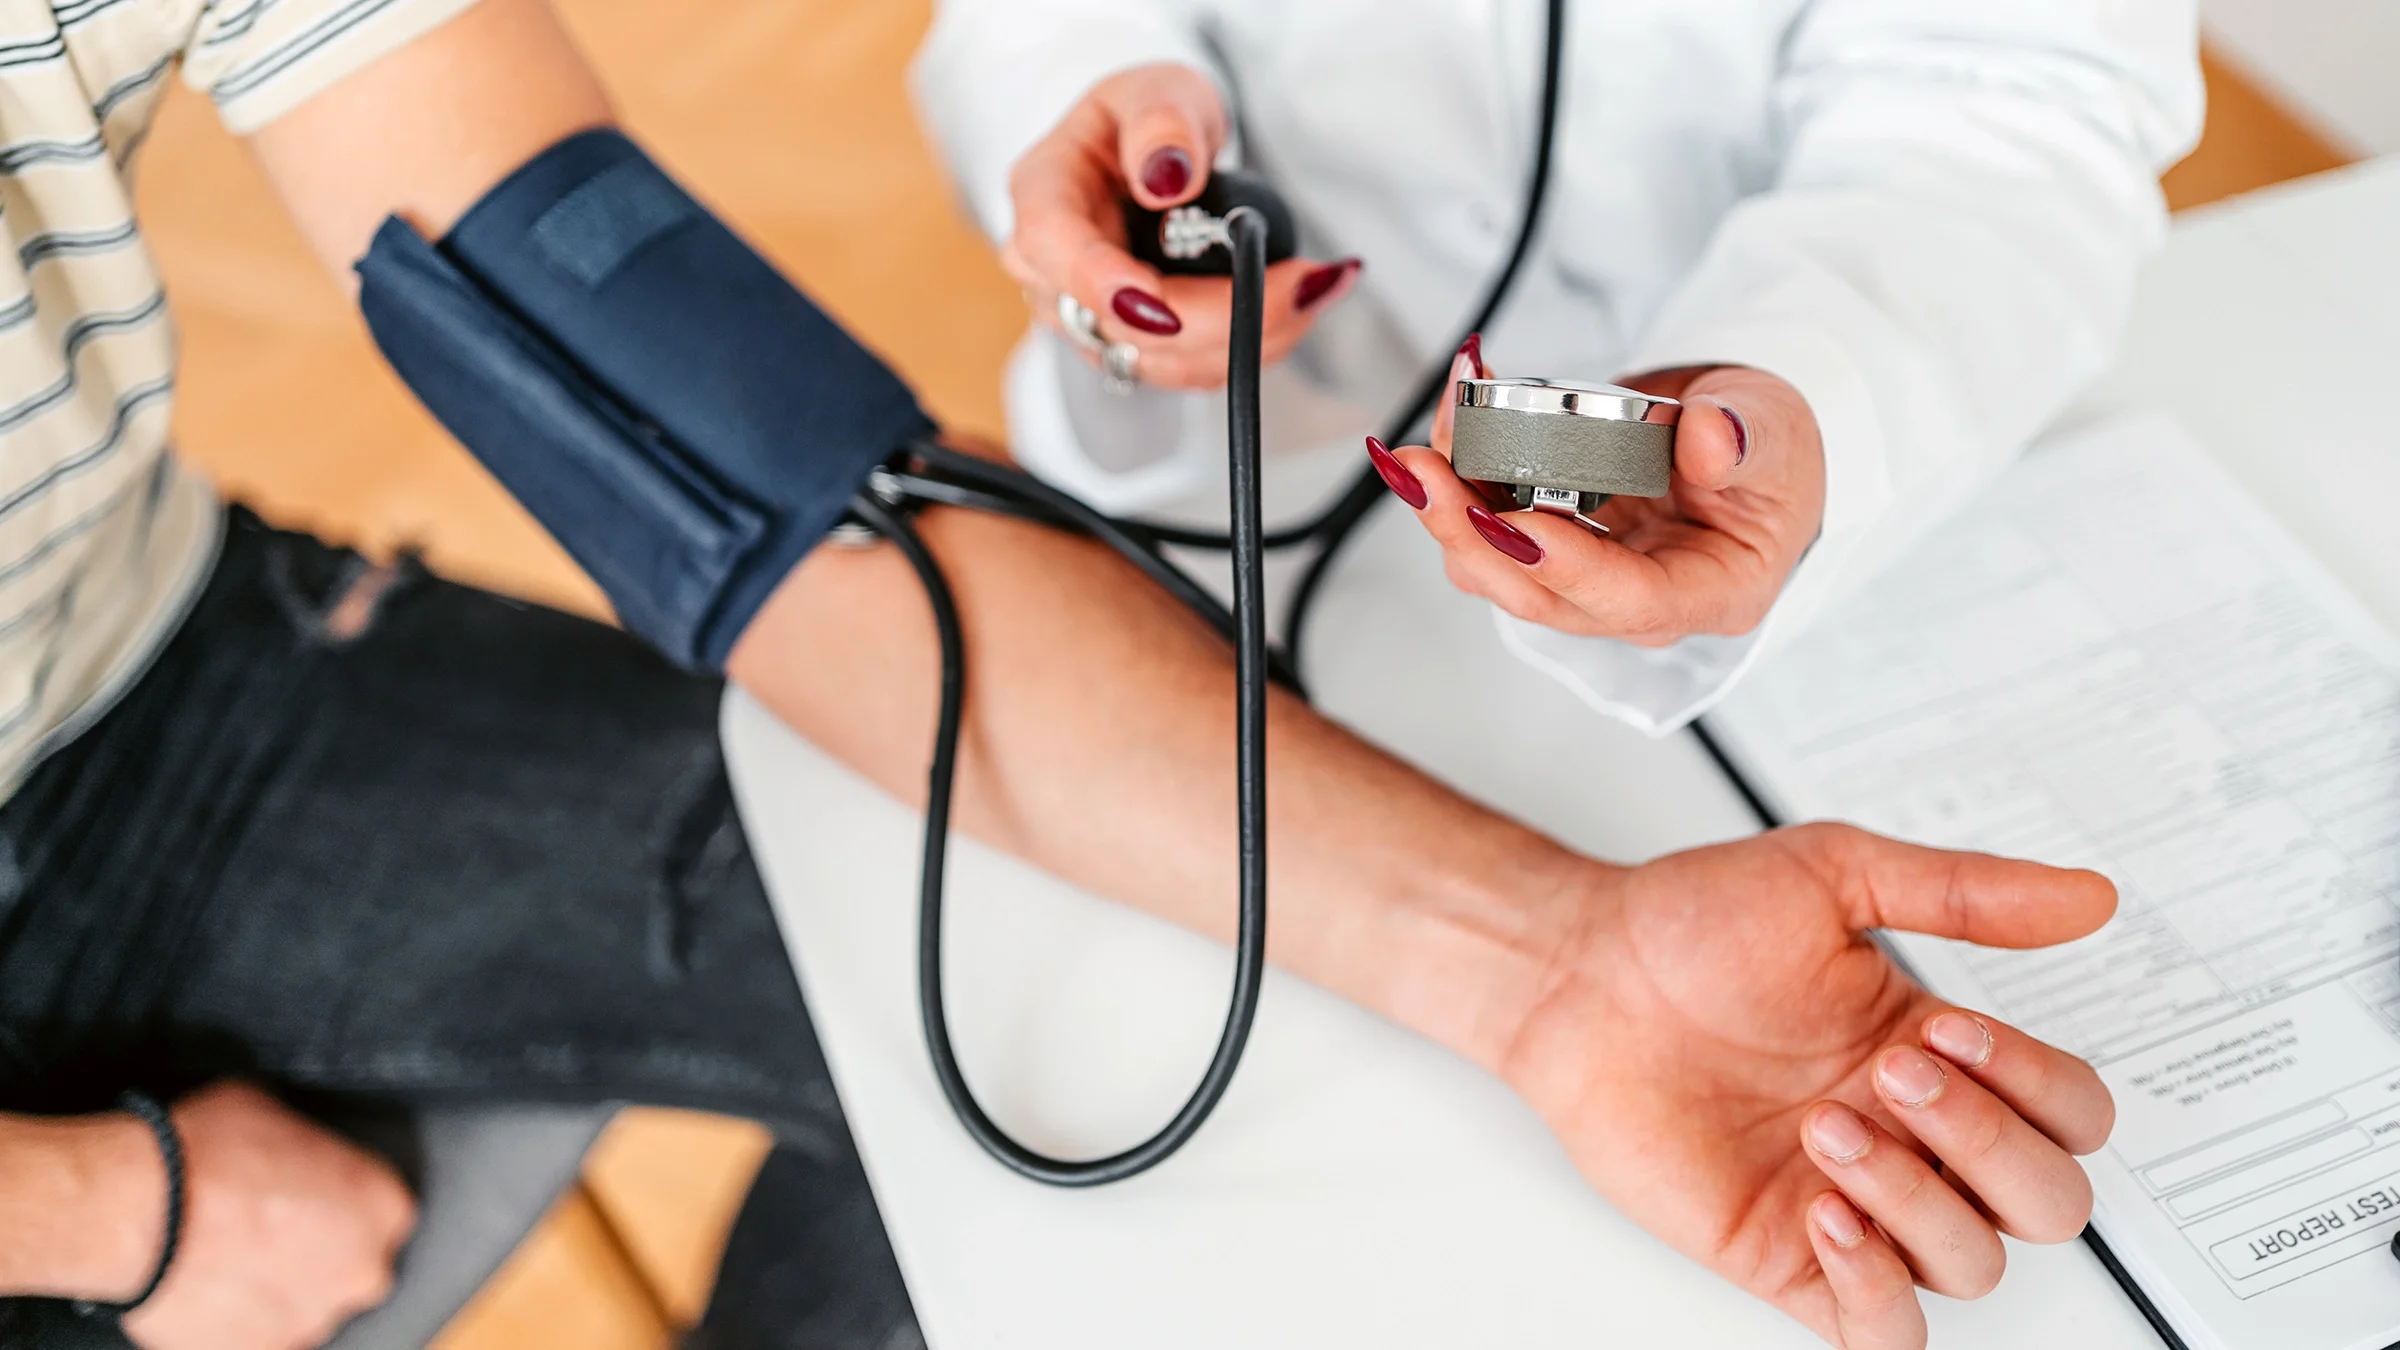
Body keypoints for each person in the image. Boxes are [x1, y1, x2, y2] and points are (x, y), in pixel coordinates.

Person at [0, 3, 2112, 1350]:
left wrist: (1555, 963)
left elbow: (760, 494)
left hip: (132, 675)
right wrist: (119, 1205)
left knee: (1078, 1044)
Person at [911, 0, 2204, 732]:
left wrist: (1813, 376)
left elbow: (2021, 94)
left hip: (1839, 530)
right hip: (1269, 474)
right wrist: (1089, 111)